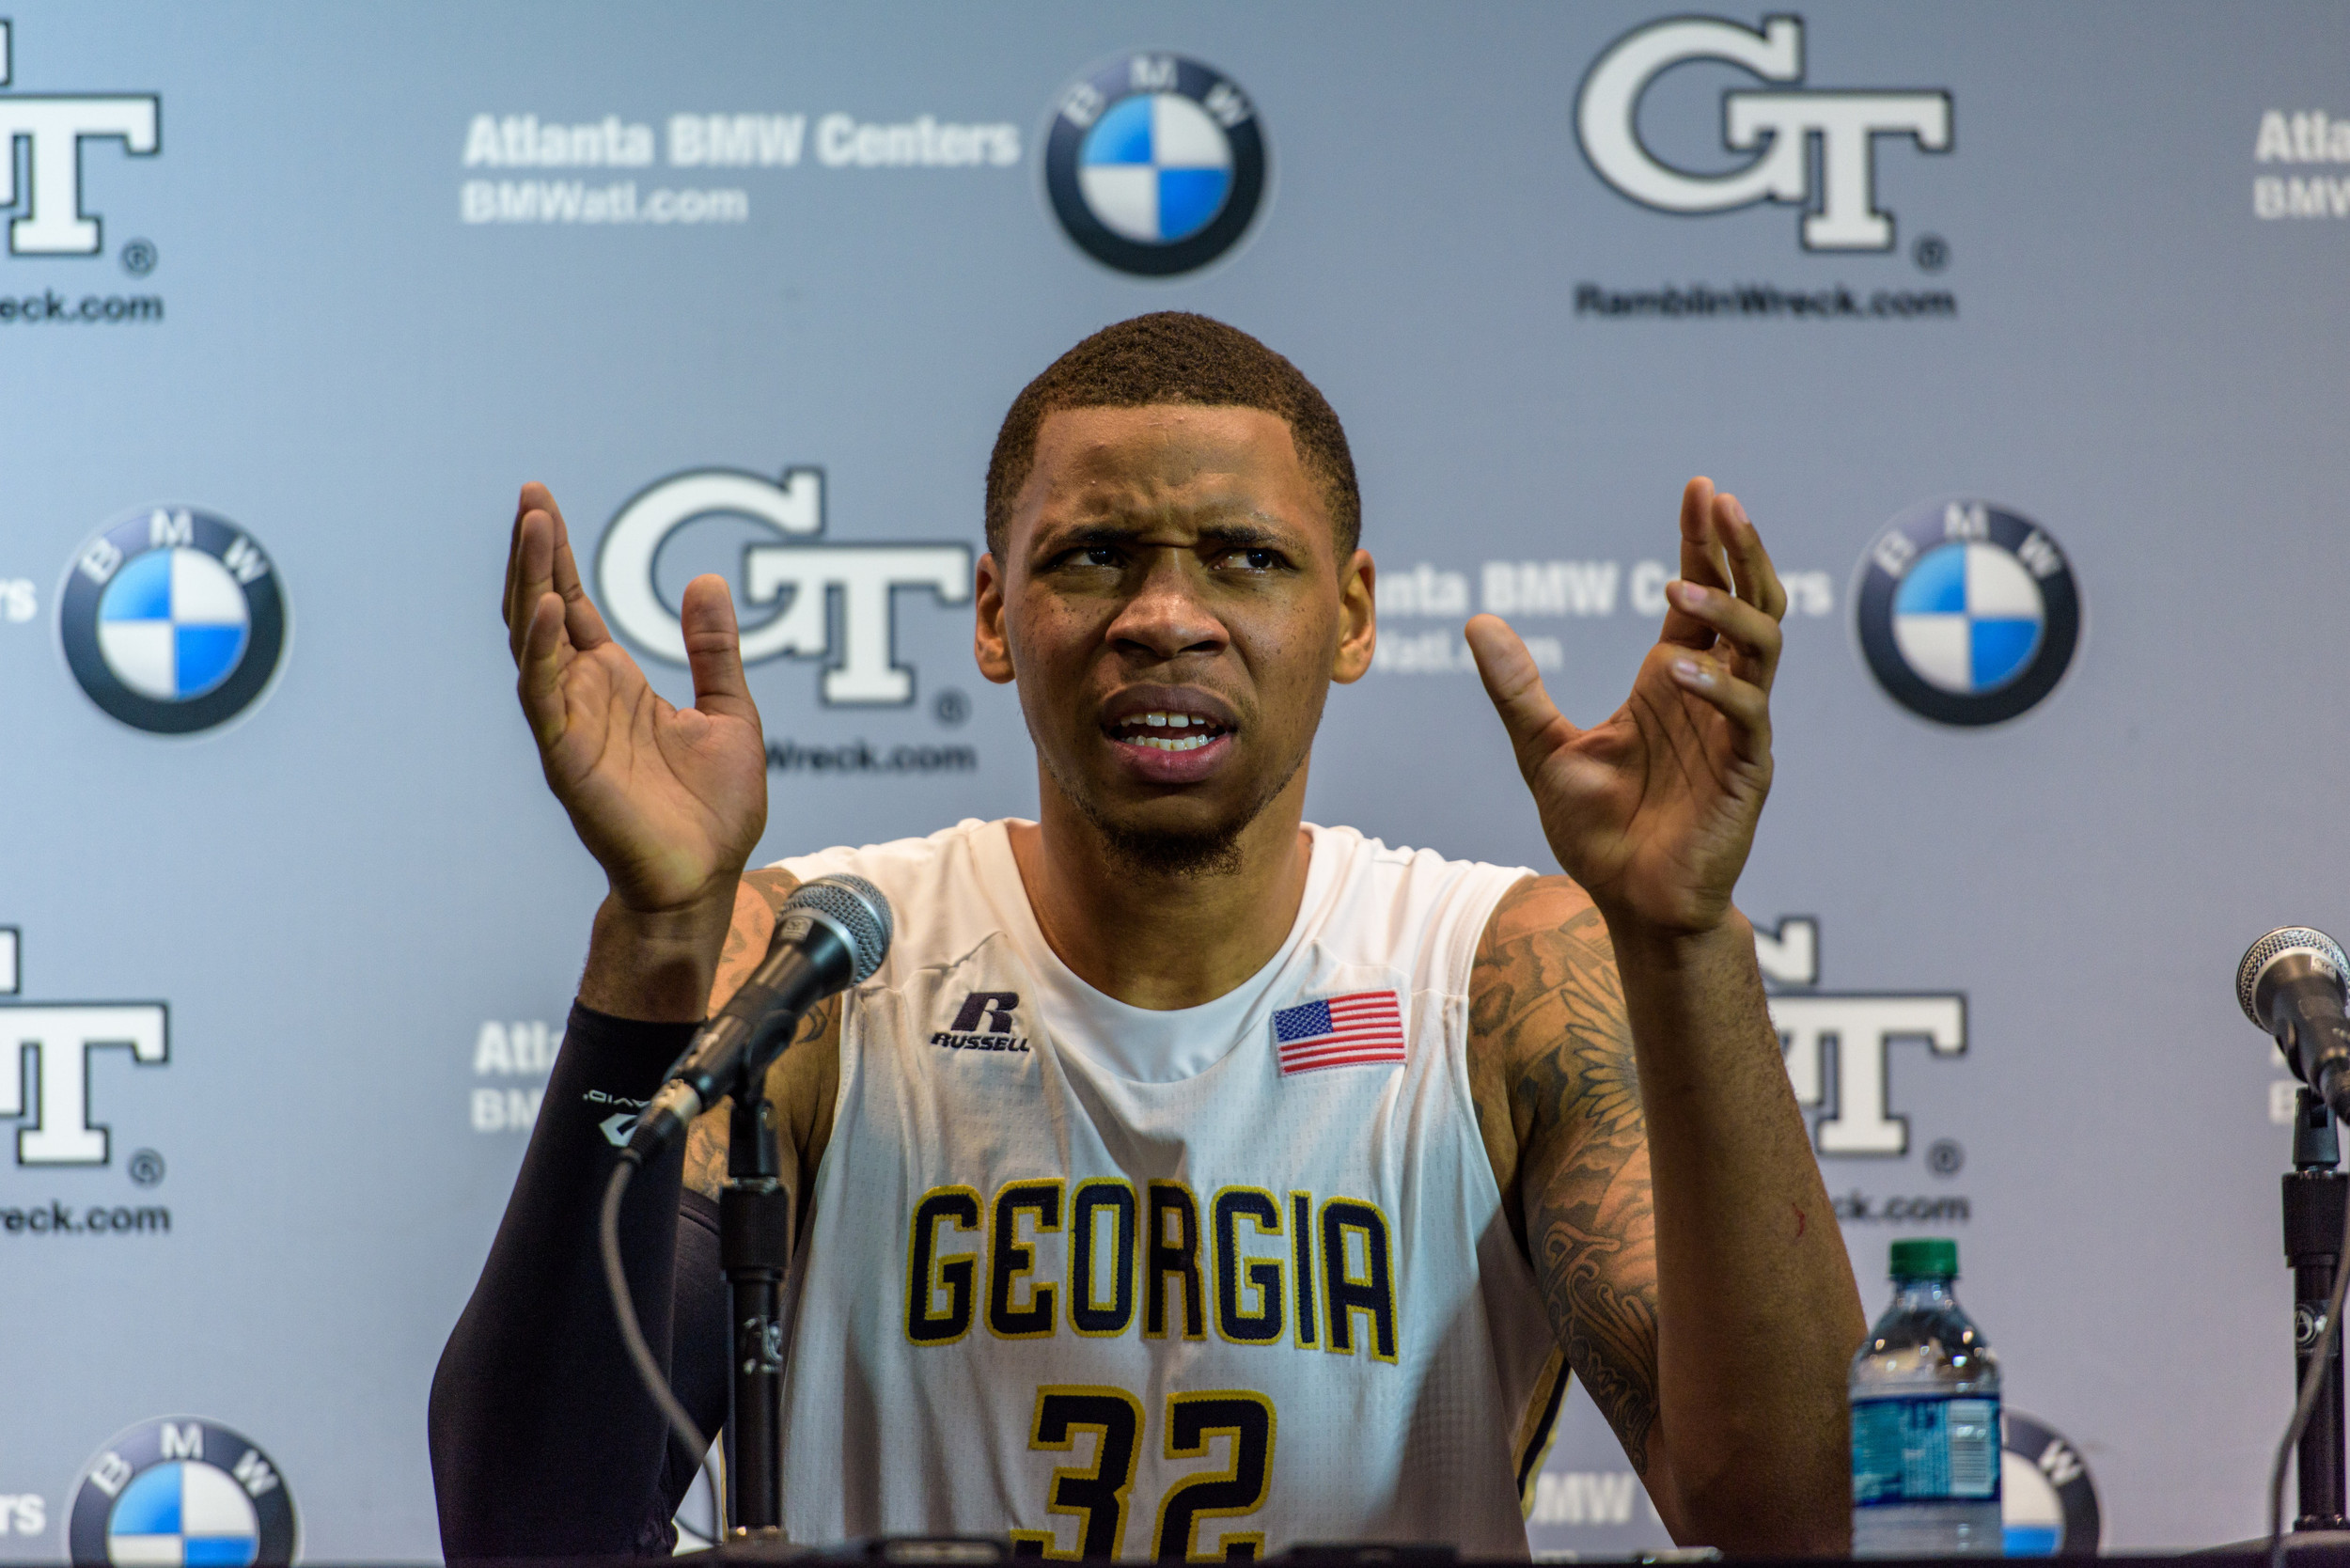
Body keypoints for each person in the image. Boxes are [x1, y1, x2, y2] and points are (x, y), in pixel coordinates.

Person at [429, 312, 1864, 1560]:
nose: (1165, 618)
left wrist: (1682, 941)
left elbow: (1793, 1512)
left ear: (1352, 616)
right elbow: (532, 1531)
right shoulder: (817, 959)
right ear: (995, 614)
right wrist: (659, 931)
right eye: (1095, 556)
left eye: (1244, 559)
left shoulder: (1500, 977)